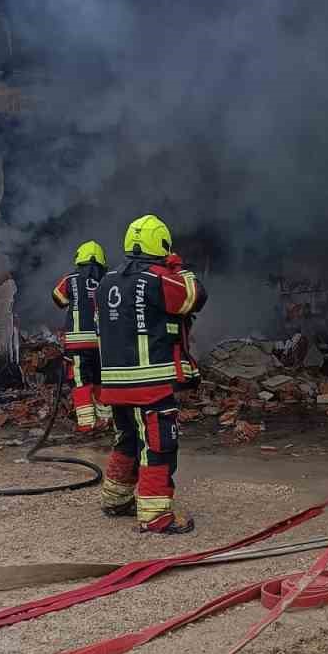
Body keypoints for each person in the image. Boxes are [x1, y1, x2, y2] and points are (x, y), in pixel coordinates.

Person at [96, 214, 207, 534]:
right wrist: (177, 267)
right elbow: (195, 296)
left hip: (115, 385)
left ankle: (115, 501)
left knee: (127, 439)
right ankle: (156, 516)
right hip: (150, 385)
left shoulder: (107, 281)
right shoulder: (159, 278)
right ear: (161, 245)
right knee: (159, 447)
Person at [51, 240, 109, 434]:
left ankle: (86, 424)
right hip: (103, 343)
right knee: (102, 380)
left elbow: (58, 298)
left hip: (78, 342)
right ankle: (106, 419)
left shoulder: (71, 279)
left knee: (81, 382)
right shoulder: (108, 279)